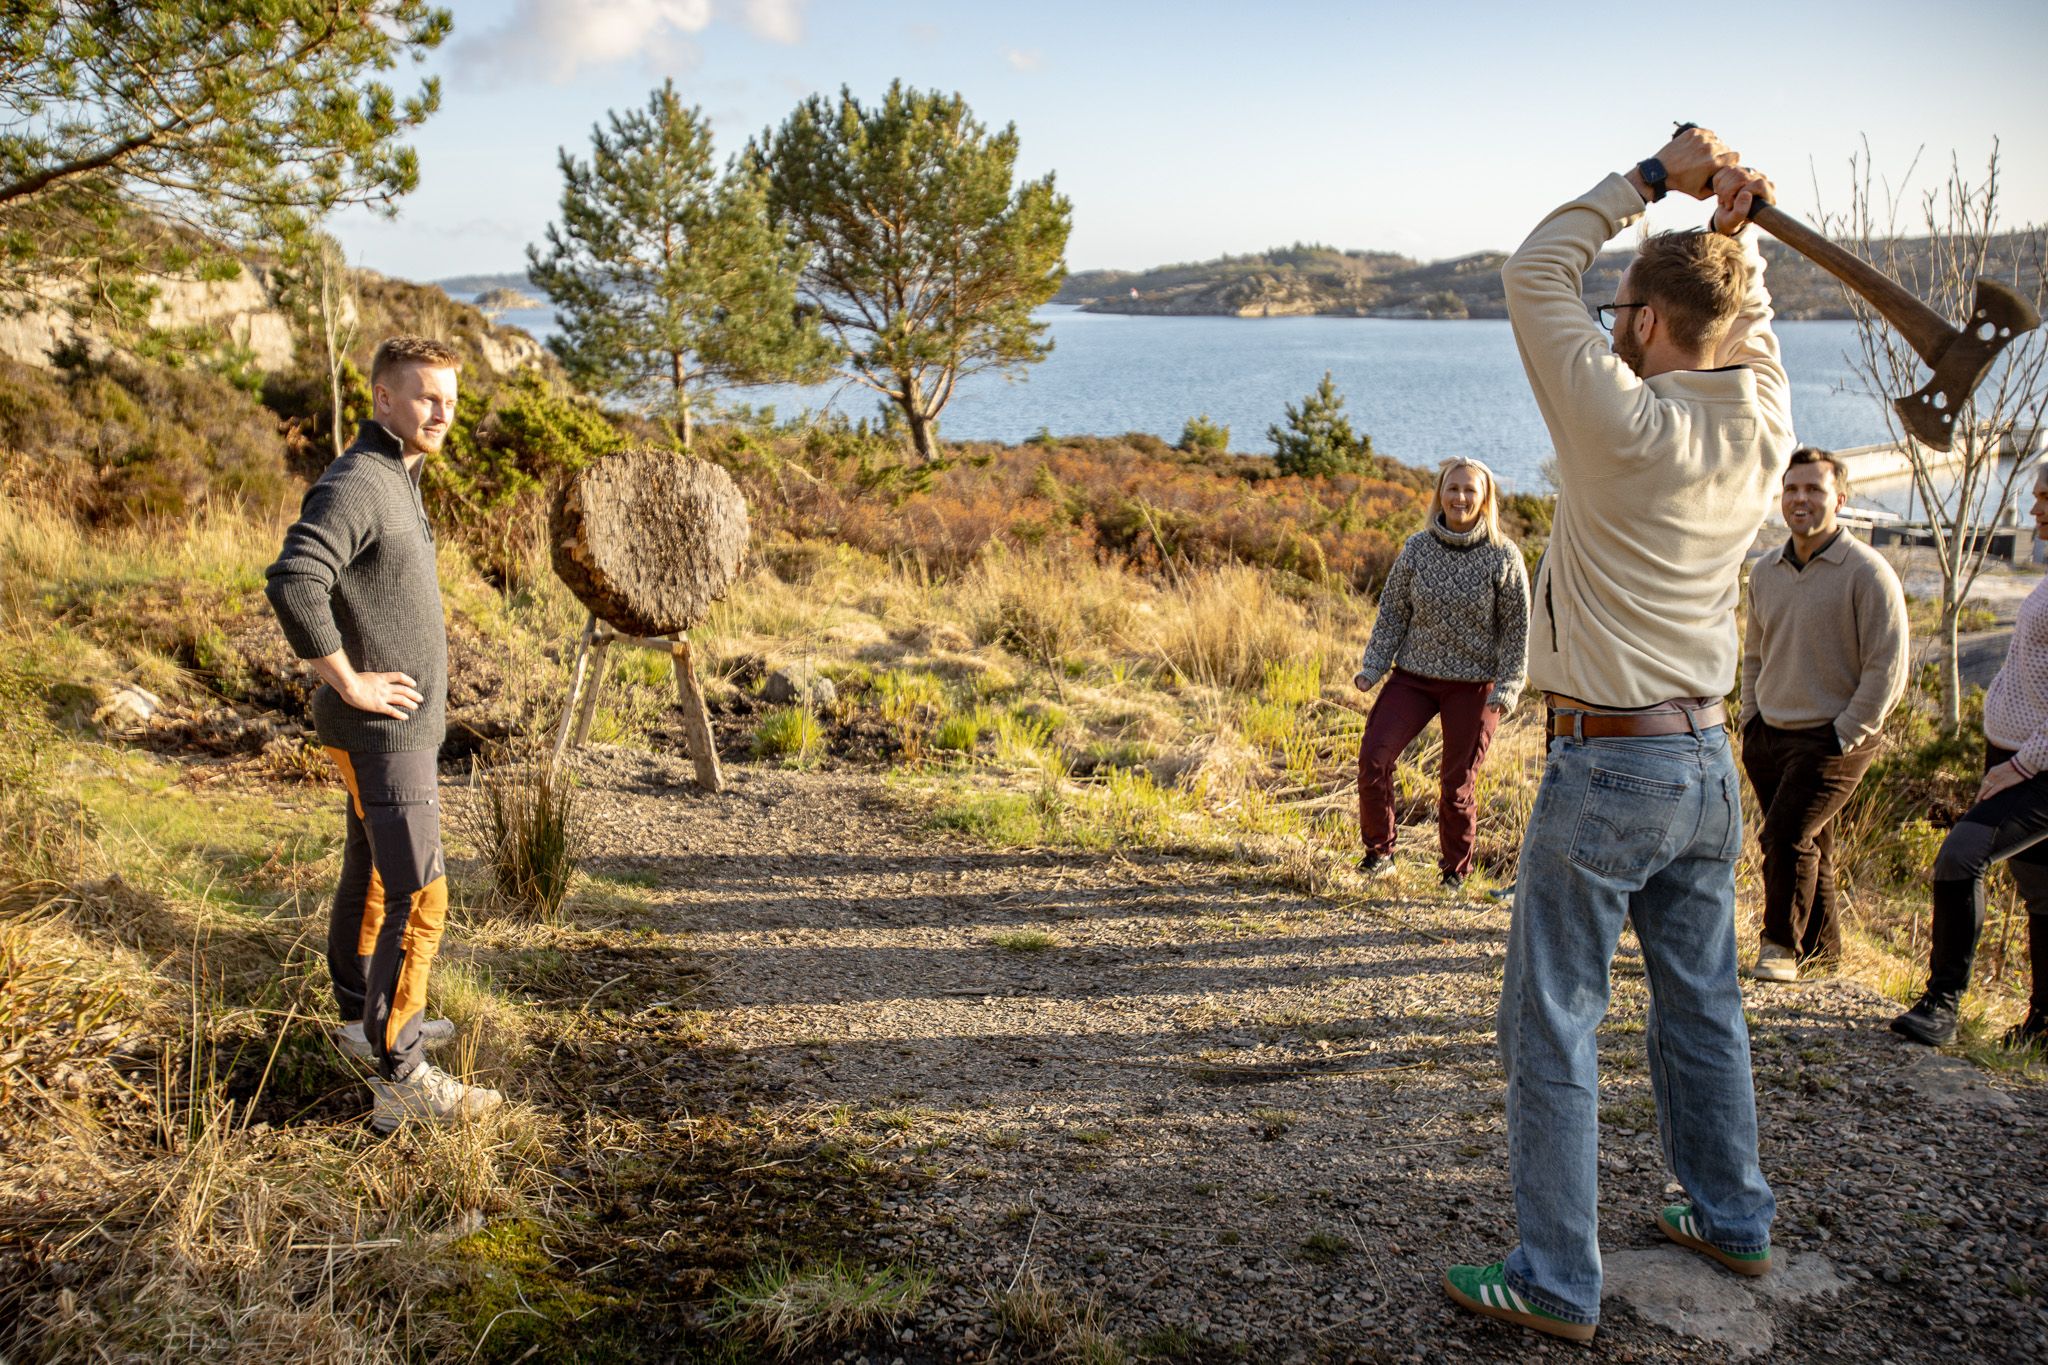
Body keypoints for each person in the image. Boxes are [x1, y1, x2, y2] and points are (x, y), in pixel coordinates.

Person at [1442, 128, 1794, 1343]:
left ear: (1643, 324)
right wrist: (1736, 233)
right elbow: (1746, 328)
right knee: (1701, 1002)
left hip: (1608, 762)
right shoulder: (1760, 420)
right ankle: (1730, 1216)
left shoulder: (1622, 421)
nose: (1606, 330)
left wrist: (1650, 180)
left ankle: (1554, 1277)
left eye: (1618, 317)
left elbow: (1533, 269)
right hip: (1705, 763)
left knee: (1552, 1015)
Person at [265, 335, 503, 1133]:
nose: (442, 412)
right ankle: (401, 1074)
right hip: (380, 730)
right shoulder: (361, 480)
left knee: (371, 872)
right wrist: (350, 679)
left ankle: (362, 1017)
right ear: (384, 398)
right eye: (427, 396)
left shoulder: (399, 473)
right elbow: (295, 578)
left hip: (389, 731)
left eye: (451, 400)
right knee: (421, 893)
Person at [1892, 462, 2048, 1050]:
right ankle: (2043, 1026)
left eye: (2044, 497)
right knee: (2041, 889)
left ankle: (1943, 1004)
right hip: (2015, 753)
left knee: (1962, 855)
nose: (2034, 508)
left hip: (2036, 767)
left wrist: (2024, 763)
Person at [1739, 448, 1908, 981]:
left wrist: (1845, 733)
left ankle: (1779, 947)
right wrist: (1749, 720)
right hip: (1770, 734)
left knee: (1784, 837)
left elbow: (1887, 668)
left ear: (1839, 500)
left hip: (1833, 738)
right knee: (1812, 844)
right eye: (1791, 489)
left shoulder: (1868, 573)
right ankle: (1823, 953)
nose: (1800, 499)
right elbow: (1754, 654)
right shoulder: (1765, 571)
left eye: (1814, 489)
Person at [1351, 457, 1529, 890]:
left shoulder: (1503, 555)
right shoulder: (1418, 548)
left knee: (1456, 783)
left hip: (1475, 686)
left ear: (1484, 498)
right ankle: (1380, 854)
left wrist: (1509, 686)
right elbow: (1393, 612)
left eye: (1470, 490)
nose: (1460, 497)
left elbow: (1516, 629)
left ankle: (1454, 872)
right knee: (1374, 757)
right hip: (1414, 678)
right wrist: (1374, 666)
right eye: (1453, 488)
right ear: (1440, 494)